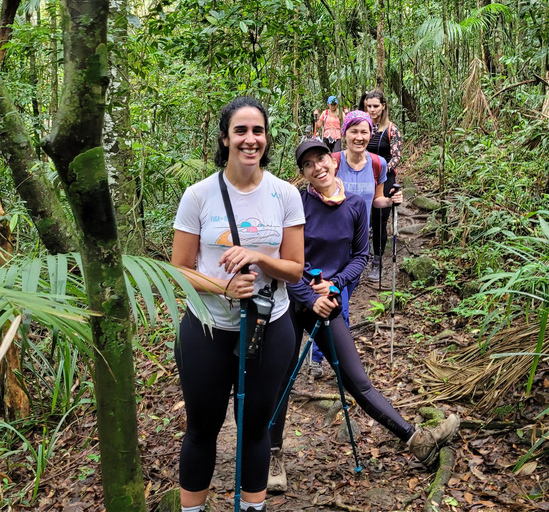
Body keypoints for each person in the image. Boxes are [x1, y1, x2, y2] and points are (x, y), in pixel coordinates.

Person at [267, 138, 460, 492]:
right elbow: (287, 261)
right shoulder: (297, 205)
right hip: (294, 302)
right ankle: (273, 456)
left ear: (332, 160)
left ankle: (416, 441)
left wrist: (335, 286)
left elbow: (360, 255)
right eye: (308, 164)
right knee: (281, 381)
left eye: (321, 159)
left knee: (358, 381)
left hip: (331, 300)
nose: (318, 167)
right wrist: (312, 296)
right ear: (304, 173)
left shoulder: (356, 205)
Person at [171, 96, 305, 512]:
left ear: (267, 138)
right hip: (208, 330)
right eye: (241, 131)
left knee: (255, 430)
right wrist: (222, 288)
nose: (251, 139)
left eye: (258, 131)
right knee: (201, 431)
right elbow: (180, 270)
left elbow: (295, 270)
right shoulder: (198, 196)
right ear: (225, 139)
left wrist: (259, 257)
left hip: (270, 329)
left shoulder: (285, 195)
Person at [305, 110, 403, 377]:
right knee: (337, 306)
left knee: (337, 301)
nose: (359, 137)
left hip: (356, 245)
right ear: (345, 134)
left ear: (371, 134)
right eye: (354, 131)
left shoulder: (378, 164)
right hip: (328, 244)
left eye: (365, 132)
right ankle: (327, 360)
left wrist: (393, 201)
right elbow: (314, 189)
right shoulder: (332, 160)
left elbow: (376, 201)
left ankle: (329, 356)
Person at [359, 90, 404, 281]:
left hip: (384, 178)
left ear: (383, 106)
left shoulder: (391, 129)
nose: (372, 110)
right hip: (362, 177)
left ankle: (377, 260)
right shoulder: (362, 126)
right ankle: (358, 258)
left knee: (379, 220)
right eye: (368, 106)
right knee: (357, 217)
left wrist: (381, 169)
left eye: (375, 106)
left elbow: (396, 155)